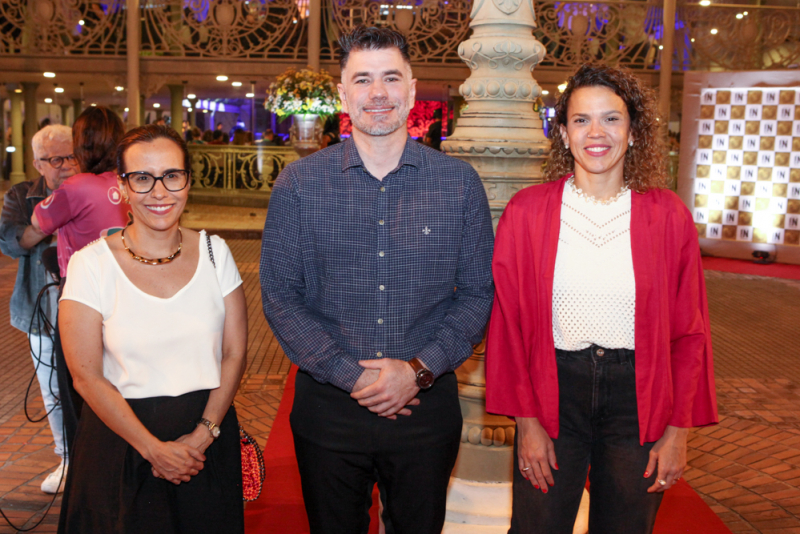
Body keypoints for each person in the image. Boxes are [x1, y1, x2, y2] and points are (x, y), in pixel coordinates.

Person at [260, 26, 494, 534]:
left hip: (425, 406)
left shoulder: (458, 185)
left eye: (391, 77)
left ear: (411, 89)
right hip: (329, 410)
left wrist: (418, 370)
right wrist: (355, 377)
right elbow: (281, 297)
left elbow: (477, 295)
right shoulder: (299, 185)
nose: (378, 93)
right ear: (343, 93)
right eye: (363, 80)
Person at [485, 64, 718, 534]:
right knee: (537, 527)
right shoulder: (527, 213)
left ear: (633, 132)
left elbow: (689, 333)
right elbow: (507, 325)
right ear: (565, 134)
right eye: (581, 120)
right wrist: (526, 424)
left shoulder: (667, 215)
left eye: (611, 119)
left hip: (640, 395)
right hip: (554, 390)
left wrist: (678, 432)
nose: (597, 133)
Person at [56, 125, 247, 533]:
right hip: (120, 442)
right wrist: (152, 449)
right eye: (142, 178)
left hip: (205, 444)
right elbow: (85, 376)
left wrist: (203, 435)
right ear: (122, 187)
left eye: (171, 175)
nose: (159, 192)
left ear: (188, 182)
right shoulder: (91, 265)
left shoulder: (216, 253)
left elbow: (233, 353)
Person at [31, 106, 133, 453]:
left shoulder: (76, 187)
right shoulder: (129, 182)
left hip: (81, 304)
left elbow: (39, 220)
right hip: (125, 300)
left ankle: (84, 475)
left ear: (82, 144)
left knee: (80, 392)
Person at [0, 125, 78, 493]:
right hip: (40, 309)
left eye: (72, 156)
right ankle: (67, 459)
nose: (65, 167)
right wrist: (53, 213)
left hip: (90, 314)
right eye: (55, 160)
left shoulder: (92, 191)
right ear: (37, 164)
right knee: (53, 391)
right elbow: (13, 244)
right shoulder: (20, 195)